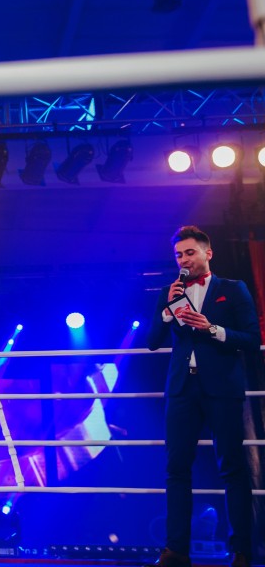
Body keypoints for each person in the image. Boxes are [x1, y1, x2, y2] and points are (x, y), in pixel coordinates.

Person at [145, 225, 259, 567]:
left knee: (233, 468)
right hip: (182, 390)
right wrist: (167, 311)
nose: (183, 260)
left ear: (208, 253)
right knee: (176, 469)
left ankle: (242, 550)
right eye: (178, 255)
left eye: (190, 252)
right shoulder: (169, 292)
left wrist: (211, 328)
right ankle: (176, 550)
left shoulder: (232, 289)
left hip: (222, 387)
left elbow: (251, 338)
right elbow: (152, 342)